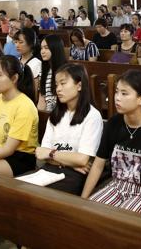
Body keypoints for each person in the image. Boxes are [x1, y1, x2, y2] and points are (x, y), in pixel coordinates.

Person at [81, 70, 141, 217]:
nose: (117, 98)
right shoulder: (114, 123)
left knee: (121, 222)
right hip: (116, 185)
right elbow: (98, 164)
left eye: (124, 93)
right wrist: (82, 201)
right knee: (89, 214)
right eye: (117, 92)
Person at [35, 63, 104, 194]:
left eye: (63, 83)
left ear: (79, 85)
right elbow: (40, 153)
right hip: (51, 170)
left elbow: (82, 159)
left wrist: (52, 154)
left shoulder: (92, 116)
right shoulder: (55, 115)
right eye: (56, 85)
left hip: (73, 176)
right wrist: (69, 163)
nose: (58, 89)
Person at [38, 34, 67, 111]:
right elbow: (42, 97)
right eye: (41, 48)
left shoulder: (65, 71)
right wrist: (41, 116)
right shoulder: (44, 70)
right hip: (48, 113)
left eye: (46, 48)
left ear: (55, 49)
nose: (42, 51)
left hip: (61, 112)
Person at [15, 28, 41, 97]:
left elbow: (34, 92)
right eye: (16, 42)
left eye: (21, 42)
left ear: (31, 43)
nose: (17, 45)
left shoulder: (36, 63)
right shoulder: (16, 60)